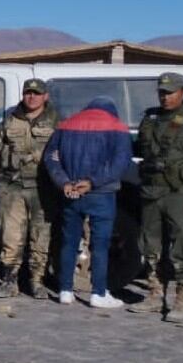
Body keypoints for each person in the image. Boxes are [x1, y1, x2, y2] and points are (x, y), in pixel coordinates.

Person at [129, 72, 183, 322]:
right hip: (151, 192)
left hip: (180, 192)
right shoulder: (151, 118)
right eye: (162, 92)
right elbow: (140, 149)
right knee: (150, 245)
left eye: (170, 92)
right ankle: (155, 295)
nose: (165, 97)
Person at [43, 96, 133, 308]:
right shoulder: (117, 127)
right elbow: (120, 163)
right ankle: (98, 292)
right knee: (100, 245)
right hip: (101, 193)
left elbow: (51, 157)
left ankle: (65, 290)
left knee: (69, 241)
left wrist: (63, 181)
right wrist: (92, 182)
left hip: (70, 192)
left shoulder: (66, 124)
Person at [0, 78, 60, 299]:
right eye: (28, 93)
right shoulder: (10, 120)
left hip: (43, 188)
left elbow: (65, 152)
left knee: (40, 237)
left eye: (36, 93)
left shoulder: (56, 121)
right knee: (11, 236)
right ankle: (9, 280)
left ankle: (37, 281)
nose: (31, 97)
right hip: (12, 186)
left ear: (45, 96)